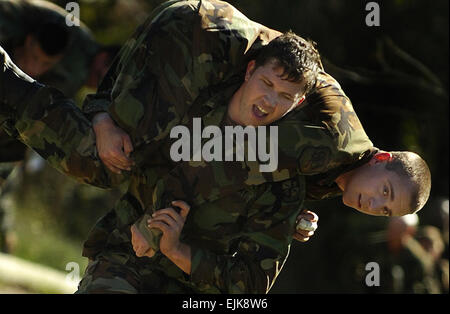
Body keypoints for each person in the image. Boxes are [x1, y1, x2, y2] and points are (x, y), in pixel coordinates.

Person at [0, 0, 430, 293]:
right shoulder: (331, 144)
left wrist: (289, 211)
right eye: (385, 193)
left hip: (210, 51)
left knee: (110, 144)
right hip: (194, 41)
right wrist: (154, 229)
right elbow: (220, 160)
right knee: (105, 158)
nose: (375, 205)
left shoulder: (336, 169)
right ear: (384, 157)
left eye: (385, 211)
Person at [0, 0, 119, 252]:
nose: (100, 85)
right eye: (104, 77)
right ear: (104, 57)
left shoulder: (80, 62)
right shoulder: (76, 52)